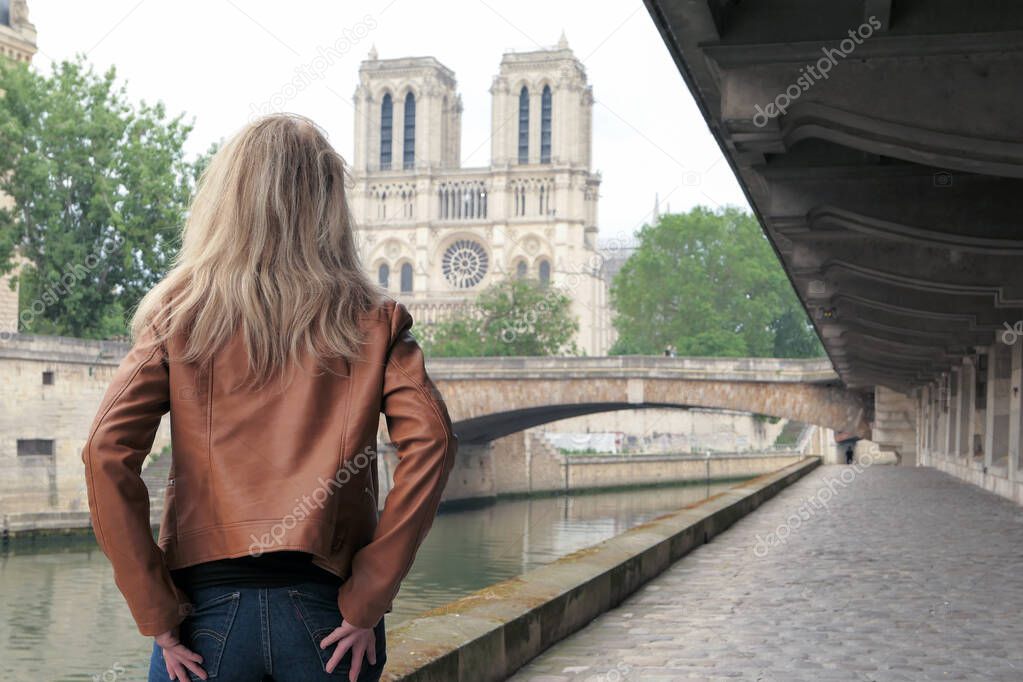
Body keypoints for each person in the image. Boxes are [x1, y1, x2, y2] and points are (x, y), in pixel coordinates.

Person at [82, 114, 458, 682]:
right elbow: (432, 442)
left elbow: (105, 452)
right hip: (329, 618)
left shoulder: (179, 318)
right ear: (330, 205)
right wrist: (368, 598)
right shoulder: (373, 322)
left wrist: (155, 609)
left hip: (201, 618)